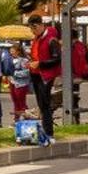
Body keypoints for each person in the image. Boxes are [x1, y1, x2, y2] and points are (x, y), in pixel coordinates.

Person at [30, 17, 61, 145]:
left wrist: (40, 64)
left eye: (35, 28)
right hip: (36, 74)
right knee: (41, 104)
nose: (33, 31)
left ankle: (49, 132)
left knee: (45, 103)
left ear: (41, 25)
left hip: (45, 75)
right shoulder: (37, 39)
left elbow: (57, 59)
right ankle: (44, 130)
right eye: (31, 29)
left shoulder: (51, 40)